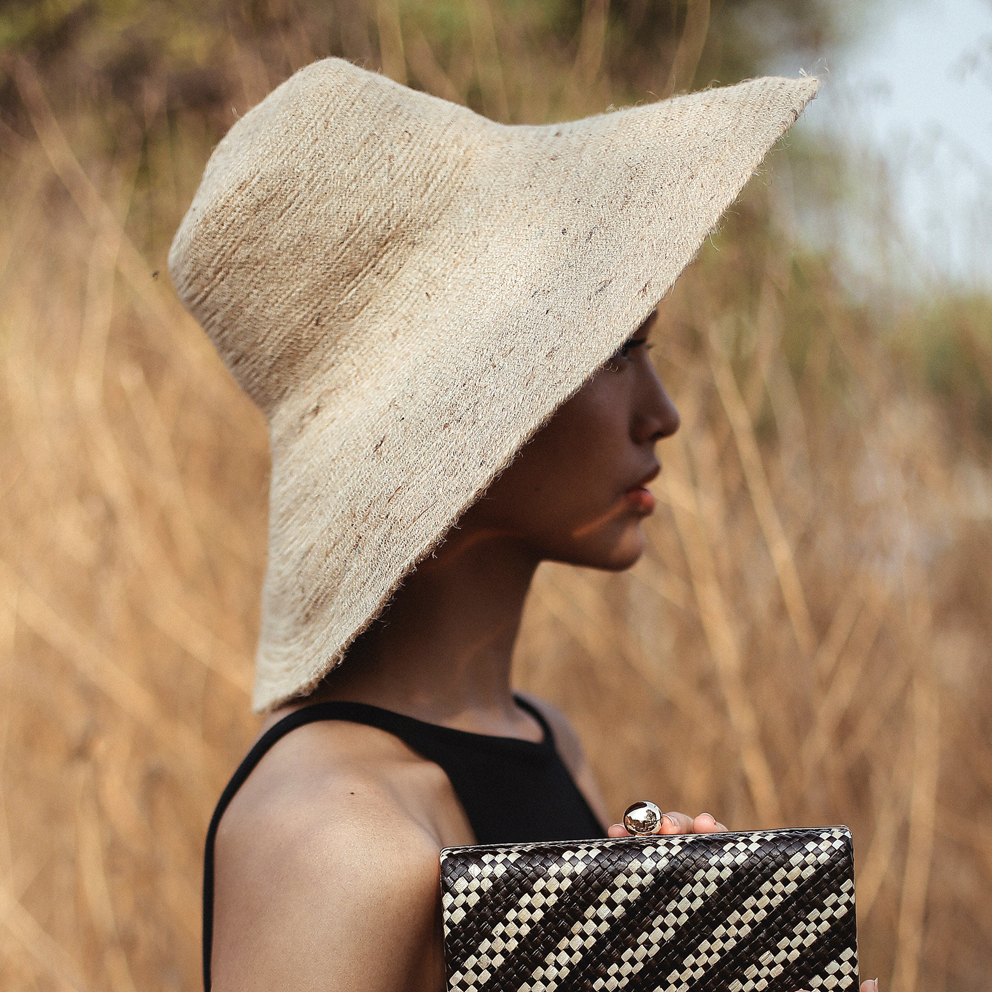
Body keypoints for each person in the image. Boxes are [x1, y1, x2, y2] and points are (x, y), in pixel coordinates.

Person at [171, 57, 875, 992]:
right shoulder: (334, 838)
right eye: (618, 349)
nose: (662, 412)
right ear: (461, 417)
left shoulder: (545, 738)